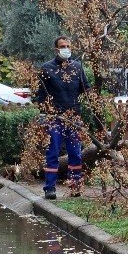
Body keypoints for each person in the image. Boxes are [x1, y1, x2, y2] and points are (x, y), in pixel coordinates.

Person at [35, 36, 90, 200]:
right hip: (55, 119)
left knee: (76, 154)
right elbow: (40, 96)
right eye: (62, 46)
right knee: (52, 153)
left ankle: (75, 186)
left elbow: (86, 90)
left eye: (68, 46)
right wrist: (47, 112)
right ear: (56, 49)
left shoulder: (77, 68)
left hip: (73, 118)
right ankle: (50, 188)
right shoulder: (46, 69)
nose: (66, 48)